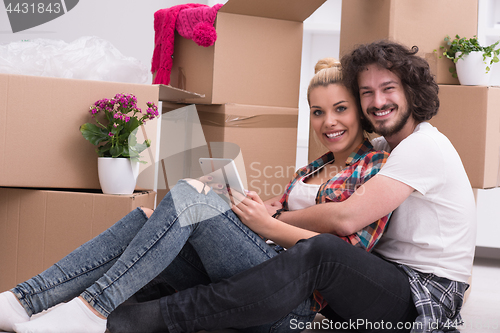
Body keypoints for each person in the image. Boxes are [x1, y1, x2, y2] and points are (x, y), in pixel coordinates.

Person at [102, 40, 477, 333]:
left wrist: (274, 219)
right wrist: (256, 209)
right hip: (376, 278)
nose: (377, 101)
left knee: (322, 253)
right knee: (182, 223)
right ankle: (92, 306)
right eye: (367, 93)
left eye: (388, 88)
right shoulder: (382, 148)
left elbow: (347, 218)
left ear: (412, 91)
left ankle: (149, 318)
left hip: (422, 295)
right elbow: (321, 197)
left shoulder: (424, 146)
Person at [0, 58, 392, 333]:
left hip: (293, 303)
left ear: (360, 110)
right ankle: (23, 300)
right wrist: (252, 211)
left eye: (340, 109)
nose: (329, 122)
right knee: (149, 218)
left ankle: (91, 310)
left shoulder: (376, 166)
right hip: (262, 267)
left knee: (191, 194)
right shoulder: (310, 169)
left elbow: (343, 261)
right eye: (318, 112)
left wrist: (269, 225)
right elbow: (275, 227)